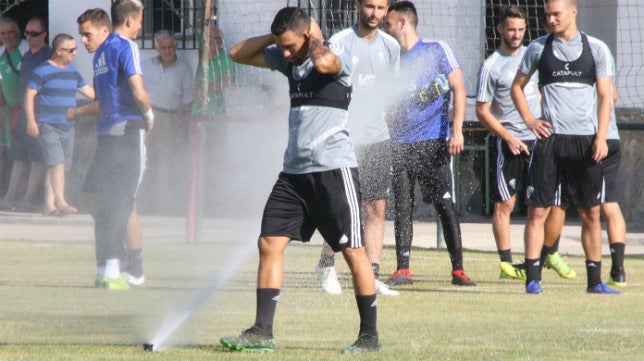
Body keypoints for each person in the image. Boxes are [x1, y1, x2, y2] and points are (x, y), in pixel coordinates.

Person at [222, 7, 380, 354]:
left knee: (354, 253)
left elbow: (325, 64)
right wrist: (279, 38)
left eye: (291, 46)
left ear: (308, 36)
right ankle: (262, 331)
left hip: (333, 172)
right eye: (284, 47)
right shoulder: (289, 57)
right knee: (268, 243)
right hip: (293, 175)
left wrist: (311, 40)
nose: (286, 53)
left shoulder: (339, 56)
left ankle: (369, 336)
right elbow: (237, 54)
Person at [511, 0, 620, 294]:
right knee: (538, 211)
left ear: (573, 11)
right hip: (550, 141)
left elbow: (606, 96)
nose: (551, 19)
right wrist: (530, 120)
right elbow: (516, 88)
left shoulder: (596, 48)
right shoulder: (538, 48)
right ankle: (533, 279)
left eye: (555, 14)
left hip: (585, 142)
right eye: (547, 14)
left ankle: (595, 282)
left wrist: (600, 137)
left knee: (591, 213)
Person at [475, 5, 575, 281]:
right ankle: (506, 265)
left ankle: (549, 253)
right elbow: (482, 110)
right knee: (505, 205)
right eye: (511, 29)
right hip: (508, 143)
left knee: (551, 203)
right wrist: (508, 137)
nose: (516, 34)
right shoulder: (491, 65)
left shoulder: (536, 55)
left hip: (541, 141)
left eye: (521, 30)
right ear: (500, 30)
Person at [383, 1, 475, 287]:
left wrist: (456, 130)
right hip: (398, 145)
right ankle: (403, 269)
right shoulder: (389, 56)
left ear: (402, 22)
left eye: (388, 23)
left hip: (432, 144)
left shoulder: (436, 49)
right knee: (401, 208)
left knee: (444, 206)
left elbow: (459, 88)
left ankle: (458, 271)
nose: (384, 28)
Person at [314, 0, 400, 297]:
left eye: (380, 7)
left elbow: (390, 95)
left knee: (376, 207)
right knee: (342, 208)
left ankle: (371, 274)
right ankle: (326, 263)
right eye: (369, 6)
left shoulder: (391, 47)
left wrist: (390, 140)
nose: (374, 13)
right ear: (357, 6)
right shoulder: (339, 42)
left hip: (378, 138)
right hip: (344, 138)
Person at [72, 1, 153, 290]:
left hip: (128, 133)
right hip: (107, 137)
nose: (83, 41)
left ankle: (123, 269)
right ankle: (115, 264)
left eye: (87, 35)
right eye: (81, 35)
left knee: (121, 201)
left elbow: (139, 93)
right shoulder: (101, 55)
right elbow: (103, 103)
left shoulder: (124, 46)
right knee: (94, 197)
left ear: (106, 28)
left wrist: (149, 115)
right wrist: (79, 113)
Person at [544, 80, 627, 287]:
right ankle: (617, 272)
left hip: (591, 139)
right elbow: (613, 95)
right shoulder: (600, 52)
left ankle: (544, 256)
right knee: (604, 204)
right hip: (609, 138)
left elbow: (611, 95)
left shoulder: (591, 54)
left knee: (570, 204)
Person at [24, 33, 94, 217]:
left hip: (68, 126)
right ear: (59, 50)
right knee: (57, 163)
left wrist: (111, 97)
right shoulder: (42, 70)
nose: (75, 53)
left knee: (56, 165)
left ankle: (49, 205)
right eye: (71, 50)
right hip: (48, 124)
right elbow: (29, 95)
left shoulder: (72, 72)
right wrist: (31, 121)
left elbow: (90, 93)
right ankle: (61, 202)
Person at [140, 29, 194, 214]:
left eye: (170, 46)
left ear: (176, 46)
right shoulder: (145, 65)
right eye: (162, 47)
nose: (167, 51)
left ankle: (168, 206)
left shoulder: (184, 68)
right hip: (147, 116)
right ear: (156, 49)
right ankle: (145, 204)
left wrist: (185, 124)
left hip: (172, 118)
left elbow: (188, 99)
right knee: (145, 162)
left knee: (169, 163)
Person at [0, 17, 45, 212]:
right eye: (3, 33)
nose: (8, 36)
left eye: (11, 32)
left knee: (35, 155)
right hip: (13, 112)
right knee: (17, 155)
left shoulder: (27, 50)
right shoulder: (2, 54)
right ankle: (11, 197)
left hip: (33, 111)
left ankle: (28, 198)